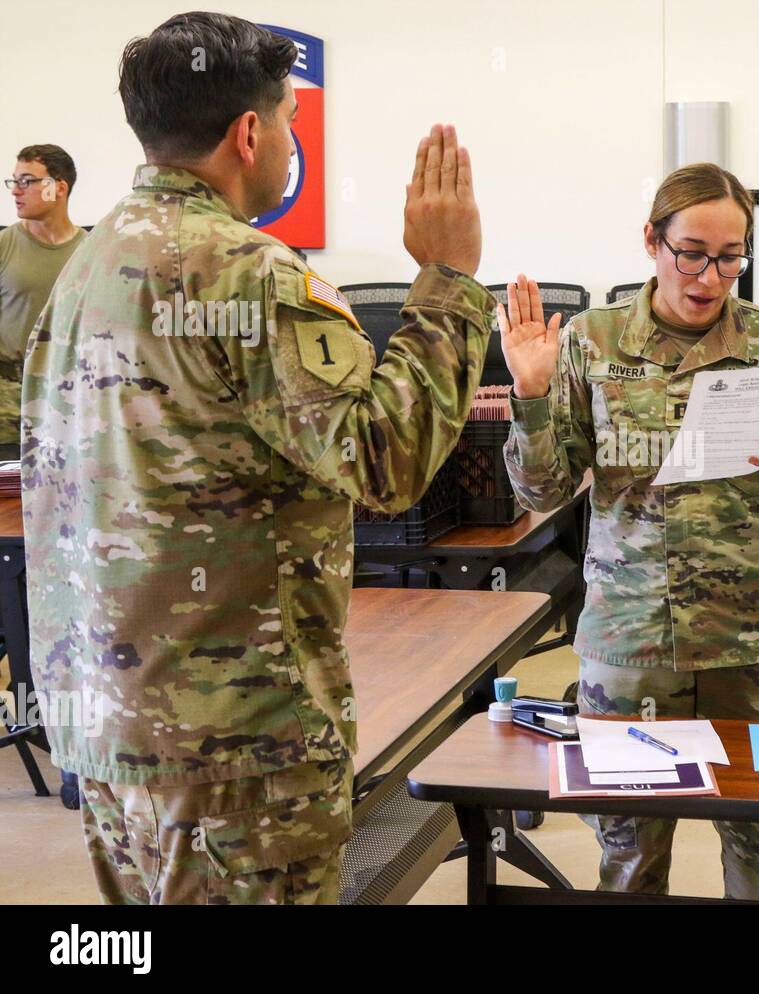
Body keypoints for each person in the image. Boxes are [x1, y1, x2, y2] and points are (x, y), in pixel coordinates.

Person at [21, 12, 493, 904]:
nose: (287, 144)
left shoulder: (88, 263)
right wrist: (449, 279)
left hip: (109, 726)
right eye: (288, 125)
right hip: (233, 753)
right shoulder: (250, 273)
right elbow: (383, 463)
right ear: (249, 133)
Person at [500, 163, 759, 901]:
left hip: (755, 644)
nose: (710, 274)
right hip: (632, 641)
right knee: (630, 862)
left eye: (731, 256)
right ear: (651, 241)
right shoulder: (592, 342)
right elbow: (540, 491)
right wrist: (532, 395)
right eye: (692, 251)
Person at [0, 145, 86, 458]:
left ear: (59, 187)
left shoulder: (91, 253)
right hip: (8, 410)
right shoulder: (5, 245)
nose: (15, 191)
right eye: (13, 182)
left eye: (27, 181)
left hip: (71, 406)